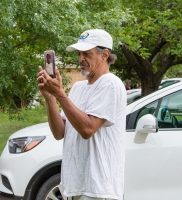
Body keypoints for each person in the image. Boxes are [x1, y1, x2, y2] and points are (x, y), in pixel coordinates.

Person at [37, 29, 126, 200]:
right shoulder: (78, 88)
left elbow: (87, 129)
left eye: (87, 53)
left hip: (98, 190)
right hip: (74, 187)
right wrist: (50, 98)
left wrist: (60, 94)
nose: (80, 59)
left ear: (105, 55)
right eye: (79, 54)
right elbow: (59, 133)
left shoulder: (110, 84)